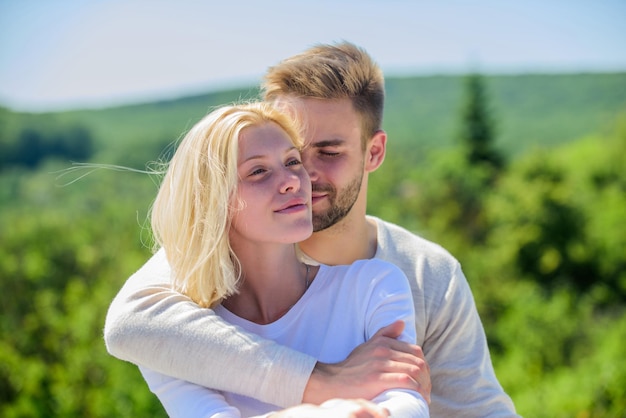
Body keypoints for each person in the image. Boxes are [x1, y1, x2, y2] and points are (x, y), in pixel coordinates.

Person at [105, 41, 518, 416]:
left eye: (329, 151)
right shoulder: (216, 260)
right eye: (290, 153)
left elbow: (478, 410)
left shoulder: (425, 275)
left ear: (373, 152)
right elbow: (130, 325)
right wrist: (323, 384)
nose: (301, 174)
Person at [134, 101, 428, 417]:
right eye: (258, 171)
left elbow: (407, 403)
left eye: (292, 161)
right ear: (212, 200)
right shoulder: (178, 337)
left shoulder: (373, 286)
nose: (293, 180)